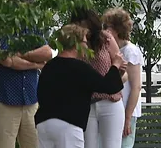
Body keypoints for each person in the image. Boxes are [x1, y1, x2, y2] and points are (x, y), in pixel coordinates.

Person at [36, 23, 126, 148]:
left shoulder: (49, 66)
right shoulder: (80, 68)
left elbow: (40, 94)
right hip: (69, 125)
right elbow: (108, 86)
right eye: (84, 42)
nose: (86, 46)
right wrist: (115, 65)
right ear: (76, 44)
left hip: (44, 124)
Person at [0, 0, 55, 148]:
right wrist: (35, 63)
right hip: (5, 100)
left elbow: (47, 52)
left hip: (30, 100)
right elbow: (6, 60)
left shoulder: (32, 27)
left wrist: (21, 53)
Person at [71, 8, 126, 148]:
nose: (80, 27)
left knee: (112, 145)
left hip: (110, 100)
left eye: (82, 23)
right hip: (85, 102)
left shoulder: (105, 38)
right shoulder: (73, 42)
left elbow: (120, 66)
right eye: (76, 23)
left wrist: (118, 70)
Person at [102, 8, 143, 148]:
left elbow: (136, 87)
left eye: (109, 27)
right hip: (114, 111)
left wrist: (127, 118)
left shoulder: (130, 51)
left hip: (127, 111)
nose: (106, 30)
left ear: (118, 29)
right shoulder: (113, 50)